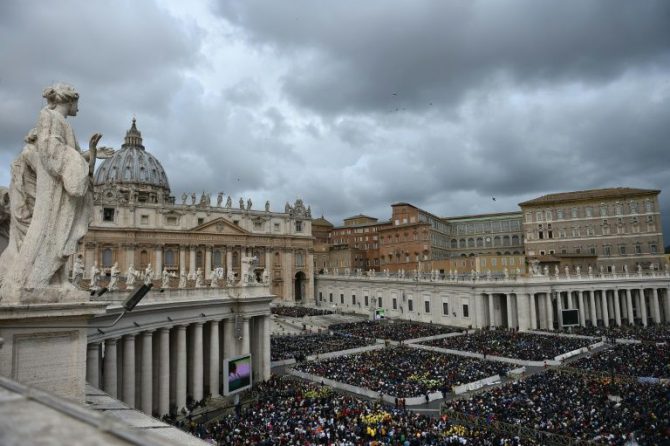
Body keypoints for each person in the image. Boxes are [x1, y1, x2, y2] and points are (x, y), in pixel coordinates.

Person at [0, 83, 112, 299]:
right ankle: (36, 280)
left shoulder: (60, 122)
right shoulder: (49, 117)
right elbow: (52, 153)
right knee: (53, 234)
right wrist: (78, 162)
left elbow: (64, 153)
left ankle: (55, 279)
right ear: (69, 101)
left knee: (60, 236)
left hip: (60, 185)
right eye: (77, 104)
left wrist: (91, 152)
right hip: (55, 189)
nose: (78, 109)